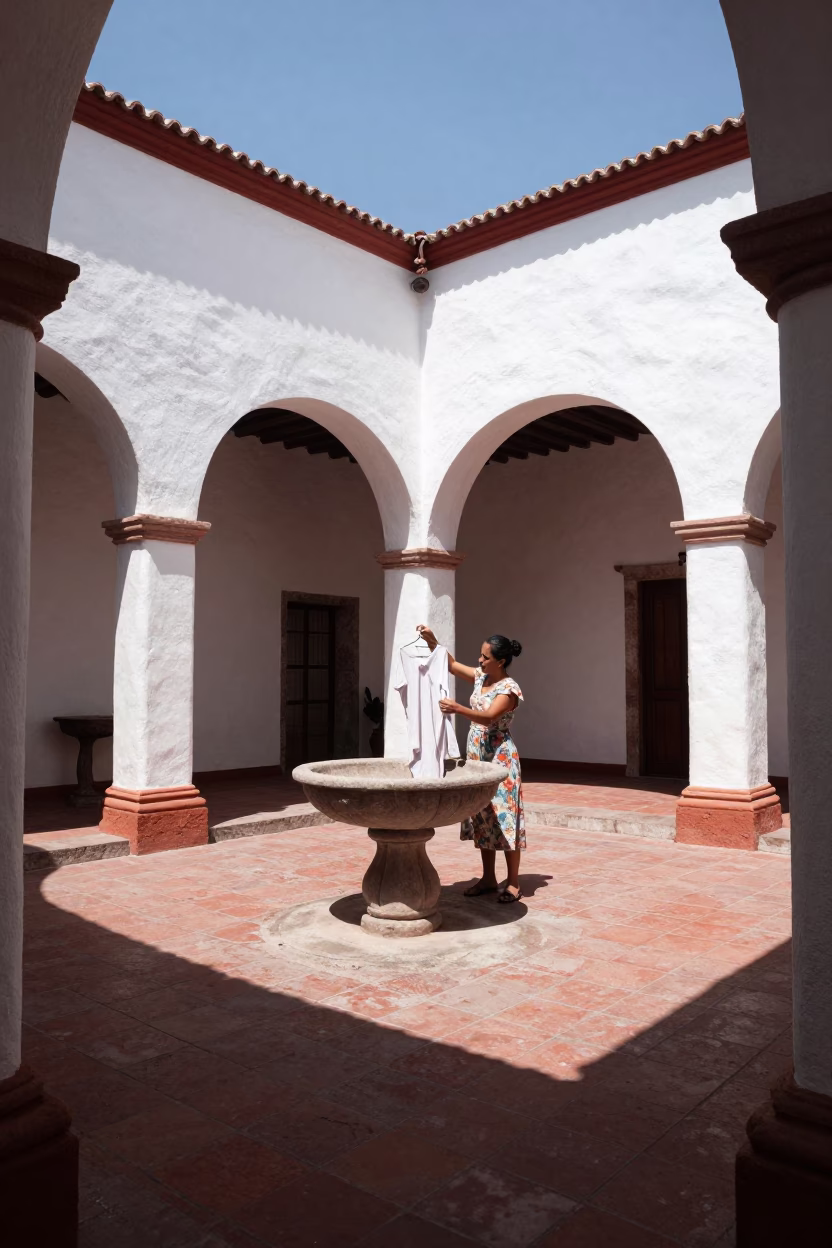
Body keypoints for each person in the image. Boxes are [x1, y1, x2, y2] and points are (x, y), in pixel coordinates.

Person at [416, 627, 525, 902]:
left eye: (485, 657)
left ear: (500, 661)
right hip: (478, 757)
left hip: (500, 760)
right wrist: (433, 642)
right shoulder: (481, 678)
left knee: (505, 818)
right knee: (482, 816)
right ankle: (488, 878)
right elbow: (451, 665)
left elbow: (488, 717)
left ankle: (513, 882)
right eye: (479, 655)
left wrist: (457, 709)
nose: (479, 661)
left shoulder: (509, 689)